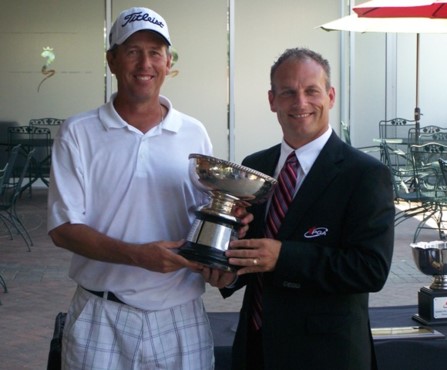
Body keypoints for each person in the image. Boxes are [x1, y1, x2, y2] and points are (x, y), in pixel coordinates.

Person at [47, 6, 248, 370]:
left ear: (168, 62)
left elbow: (204, 221)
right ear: (111, 60)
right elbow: (63, 231)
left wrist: (223, 252)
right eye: (132, 50)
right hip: (101, 314)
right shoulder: (77, 132)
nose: (145, 63)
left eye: (155, 52)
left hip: (180, 316)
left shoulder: (193, 133)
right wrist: (137, 254)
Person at [221, 48, 395, 370]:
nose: (300, 102)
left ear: (330, 96)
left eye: (311, 90)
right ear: (272, 100)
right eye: (288, 92)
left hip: (326, 354)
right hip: (256, 347)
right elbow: (250, 248)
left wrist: (283, 257)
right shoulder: (254, 166)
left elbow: (371, 268)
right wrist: (226, 273)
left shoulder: (365, 174)